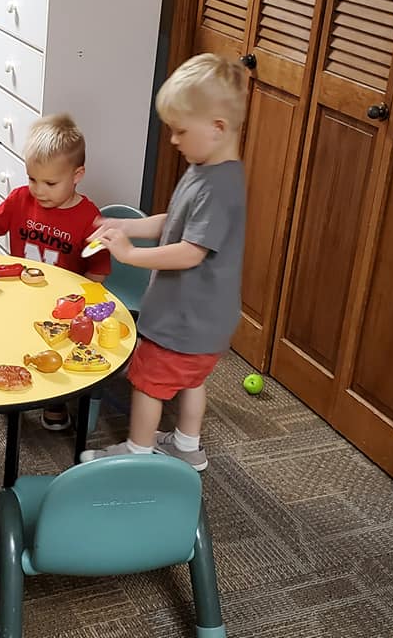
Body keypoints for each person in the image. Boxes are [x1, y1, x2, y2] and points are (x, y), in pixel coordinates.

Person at [79, 53, 249, 471]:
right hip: (206, 320)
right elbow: (173, 221)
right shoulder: (206, 169)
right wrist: (127, 226)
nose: (173, 140)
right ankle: (188, 446)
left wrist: (131, 255)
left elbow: (192, 250)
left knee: (149, 382)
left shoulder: (218, 188)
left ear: (218, 128)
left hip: (183, 318)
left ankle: (137, 452)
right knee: (193, 380)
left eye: (179, 131)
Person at [0, 113, 110, 430]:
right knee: (7, 336)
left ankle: (54, 401)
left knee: (54, 350)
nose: (39, 190)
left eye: (50, 183)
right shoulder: (20, 199)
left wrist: (83, 304)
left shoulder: (88, 217)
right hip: (18, 292)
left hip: (62, 304)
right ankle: (5, 381)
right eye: (32, 179)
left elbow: (98, 269)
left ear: (77, 175)